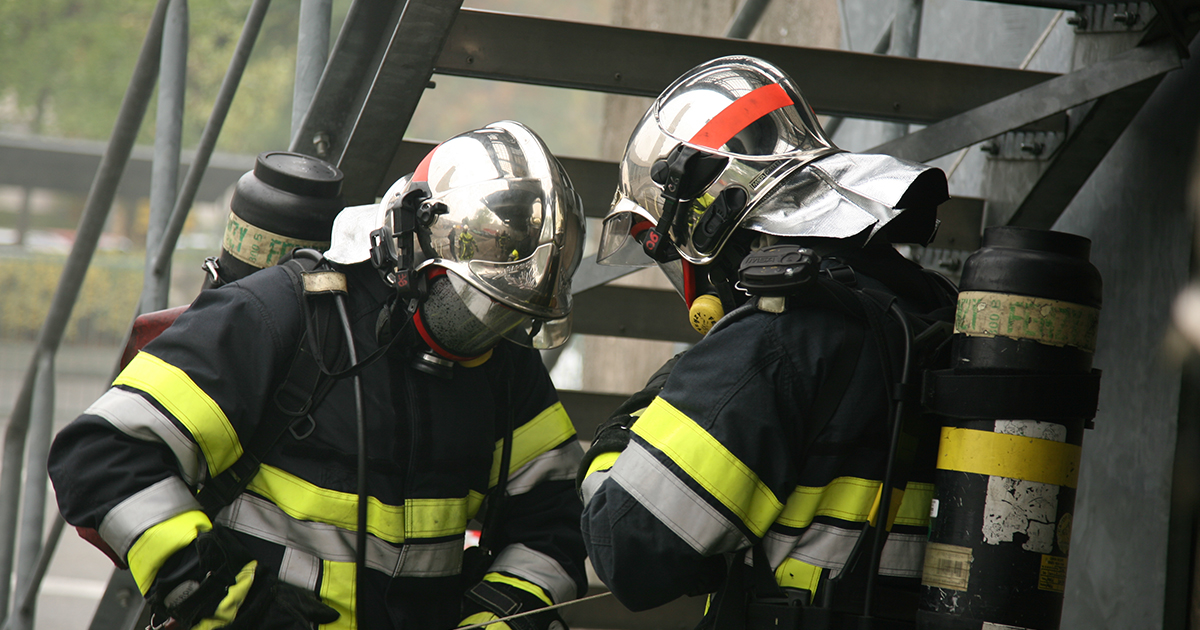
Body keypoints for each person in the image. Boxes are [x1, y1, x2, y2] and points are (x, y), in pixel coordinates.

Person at [48, 120, 589, 630]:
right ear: (414, 243)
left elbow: (553, 521)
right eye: (475, 304)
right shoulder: (282, 316)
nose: (485, 329)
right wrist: (227, 602)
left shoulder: (504, 367)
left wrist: (496, 619)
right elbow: (101, 454)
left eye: (509, 315)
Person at [577, 56, 958, 628]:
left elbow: (625, 546)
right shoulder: (923, 307)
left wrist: (656, 401)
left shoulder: (769, 344)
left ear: (710, 225)